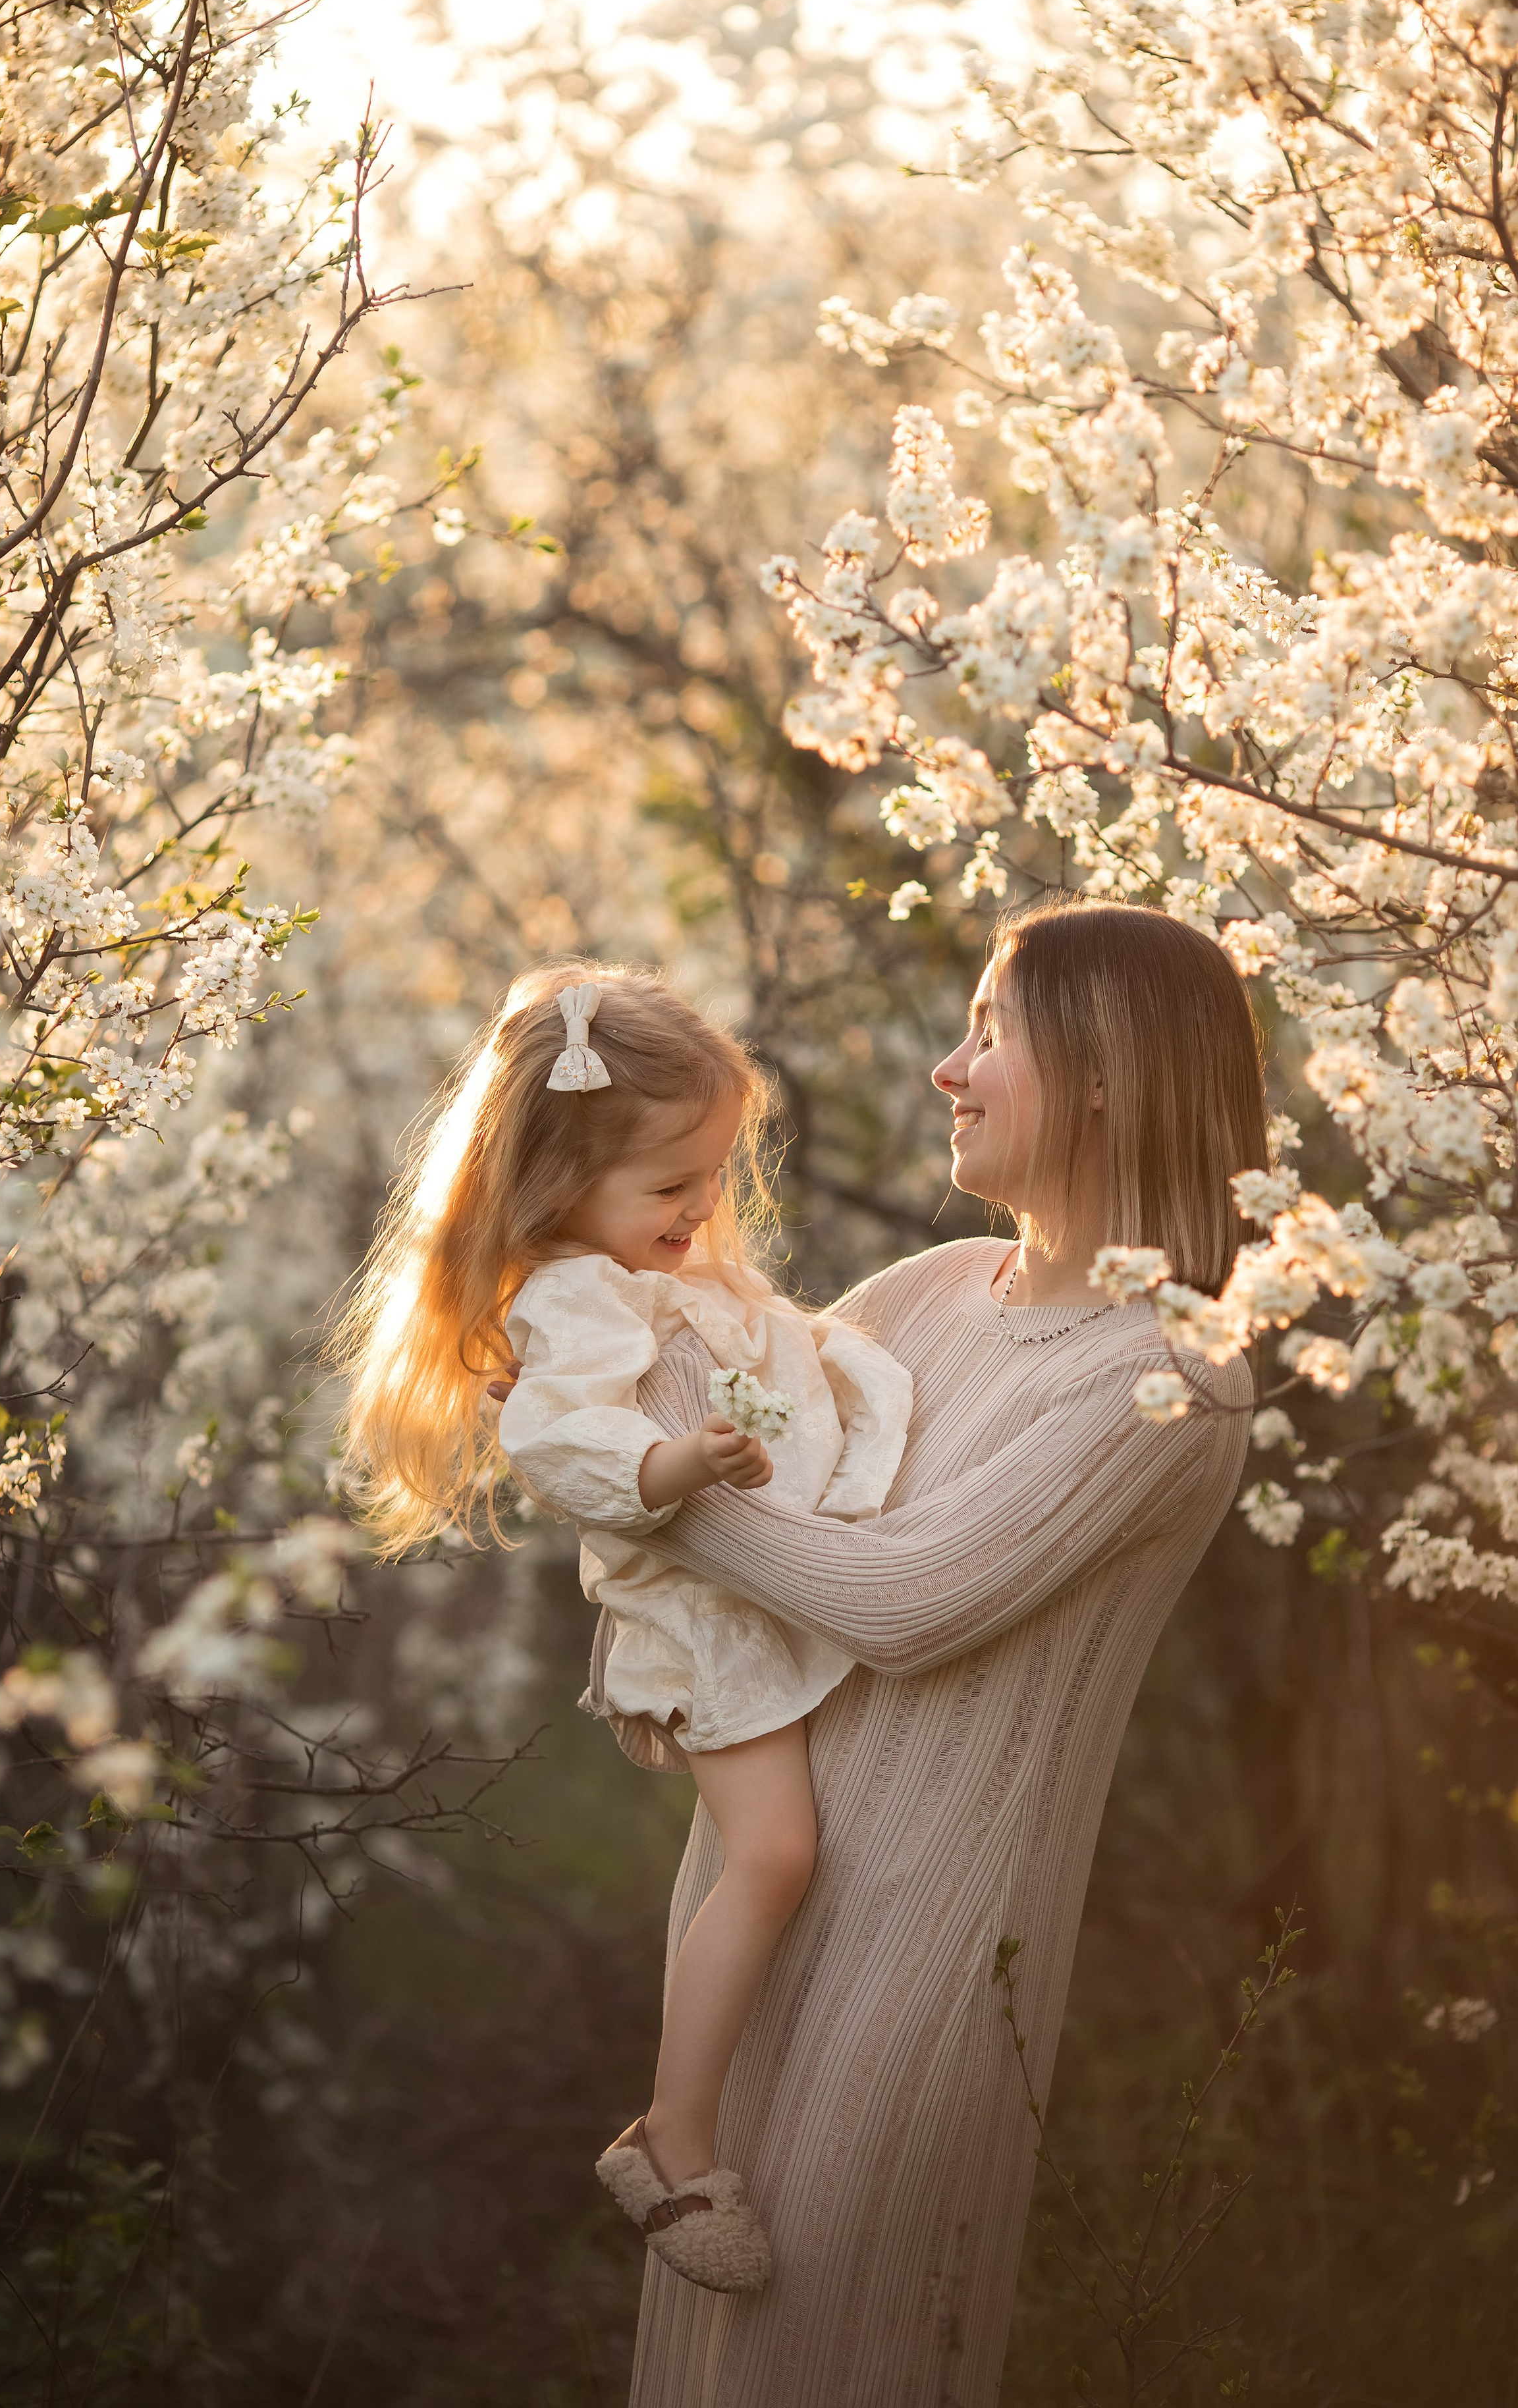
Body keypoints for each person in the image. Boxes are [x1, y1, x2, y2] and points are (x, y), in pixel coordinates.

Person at [616, 897, 1266, 2407]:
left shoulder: (1169, 1377)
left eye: (989, 1029)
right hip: (749, 1899)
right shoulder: (914, 1299)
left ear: (1101, 1070)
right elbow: (715, 1408)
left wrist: (645, 1483)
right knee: (700, 2364)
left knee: (833, 2354)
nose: (944, 1067)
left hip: (921, 1943)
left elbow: (902, 1599)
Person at [335, 963, 911, 2297]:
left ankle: (702, 2115)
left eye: (709, 1176)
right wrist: (679, 1467)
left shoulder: (655, 1268)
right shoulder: (567, 1298)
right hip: (709, 1621)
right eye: (668, 1187)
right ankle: (673, 2142)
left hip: (766, 1591)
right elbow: (562, 1438)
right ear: (554, 1187)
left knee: (786, 1852)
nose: (701, 1207)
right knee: (772, 1854)